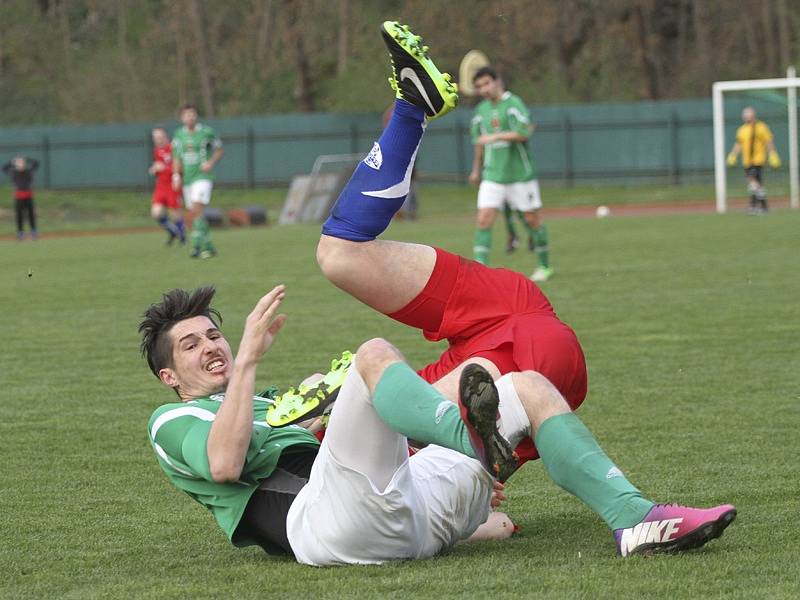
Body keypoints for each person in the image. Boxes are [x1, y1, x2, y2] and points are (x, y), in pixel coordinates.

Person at [143, 21, 735, 567]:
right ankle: (471, 434)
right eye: (191, 346)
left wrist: (471, 519)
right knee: (373, 354)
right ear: (170, 375)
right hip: (323, 527)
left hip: (408, 517)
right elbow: (225, 465)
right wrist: (248, 357)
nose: (211, 347)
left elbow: (357, 463)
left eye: (213, 335)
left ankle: (634, 518)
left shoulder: (269, 403)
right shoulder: (174, 418)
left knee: (523, 384)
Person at [467, 66, 552, 281]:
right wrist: (476, 170)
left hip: (520, 176)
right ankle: (480, 270)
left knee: (532, 220)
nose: (484, 89)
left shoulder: (513, 104)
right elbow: (479, 142)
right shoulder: (481, 111)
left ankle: (544, 266)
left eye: (487, 83)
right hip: (492, 176)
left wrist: (496, 137)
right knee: (484, 218)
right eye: (479, 87)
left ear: (497, 82)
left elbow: (524, 132)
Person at [171, 104, 224, 258]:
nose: (191, 117)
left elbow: (219, 149)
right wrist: (176, 175)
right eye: (187, 115)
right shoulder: (178, 135)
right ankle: (209, 246)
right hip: (188, 179)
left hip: (203, 177)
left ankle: (195, 247)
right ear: (182, 118)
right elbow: (176, 157)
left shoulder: (206, 132)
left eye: (193, 114)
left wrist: (210, 163)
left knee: (196, 209)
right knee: (196, 213)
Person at [726, 106, 781, 215]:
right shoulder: (742, 130)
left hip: (758, 160)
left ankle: (761, 206)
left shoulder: (761, 127)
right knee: (755, 184)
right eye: (744, 114)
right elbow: (738, 144)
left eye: (747, 114)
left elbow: (768, 142)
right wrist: (733, 155)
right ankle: (756, 206)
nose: (745, 116)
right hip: (747, 161)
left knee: (752, 180)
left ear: (752, 115)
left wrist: (773, 154)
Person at [148, 127, 186, 246]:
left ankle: (183, 238)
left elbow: (180, 169)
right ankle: (173, 232)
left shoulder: (173, 149)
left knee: (175, 214)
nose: (158, 140)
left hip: (173, 185)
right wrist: (154, 169)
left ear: (165, 136)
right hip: (161, 186)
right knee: (156, 212)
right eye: (155, 138)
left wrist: (164, 168)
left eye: (160, 137)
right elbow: (159, 166)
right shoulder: (156, 151)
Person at [2, 156, 39, 240]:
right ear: (16, 164)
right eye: (19, 163)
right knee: (19, 215)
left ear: (24, 164)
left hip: (28, 195)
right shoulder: (13, 172)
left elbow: (36, 163)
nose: (20, 164)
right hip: (19, 196)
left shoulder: (28, 171)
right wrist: (12, 161)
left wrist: (27, 159)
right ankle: (20, 232)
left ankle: (33, 231)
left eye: (22, 162)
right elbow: (4, 168)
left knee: (31, 214)